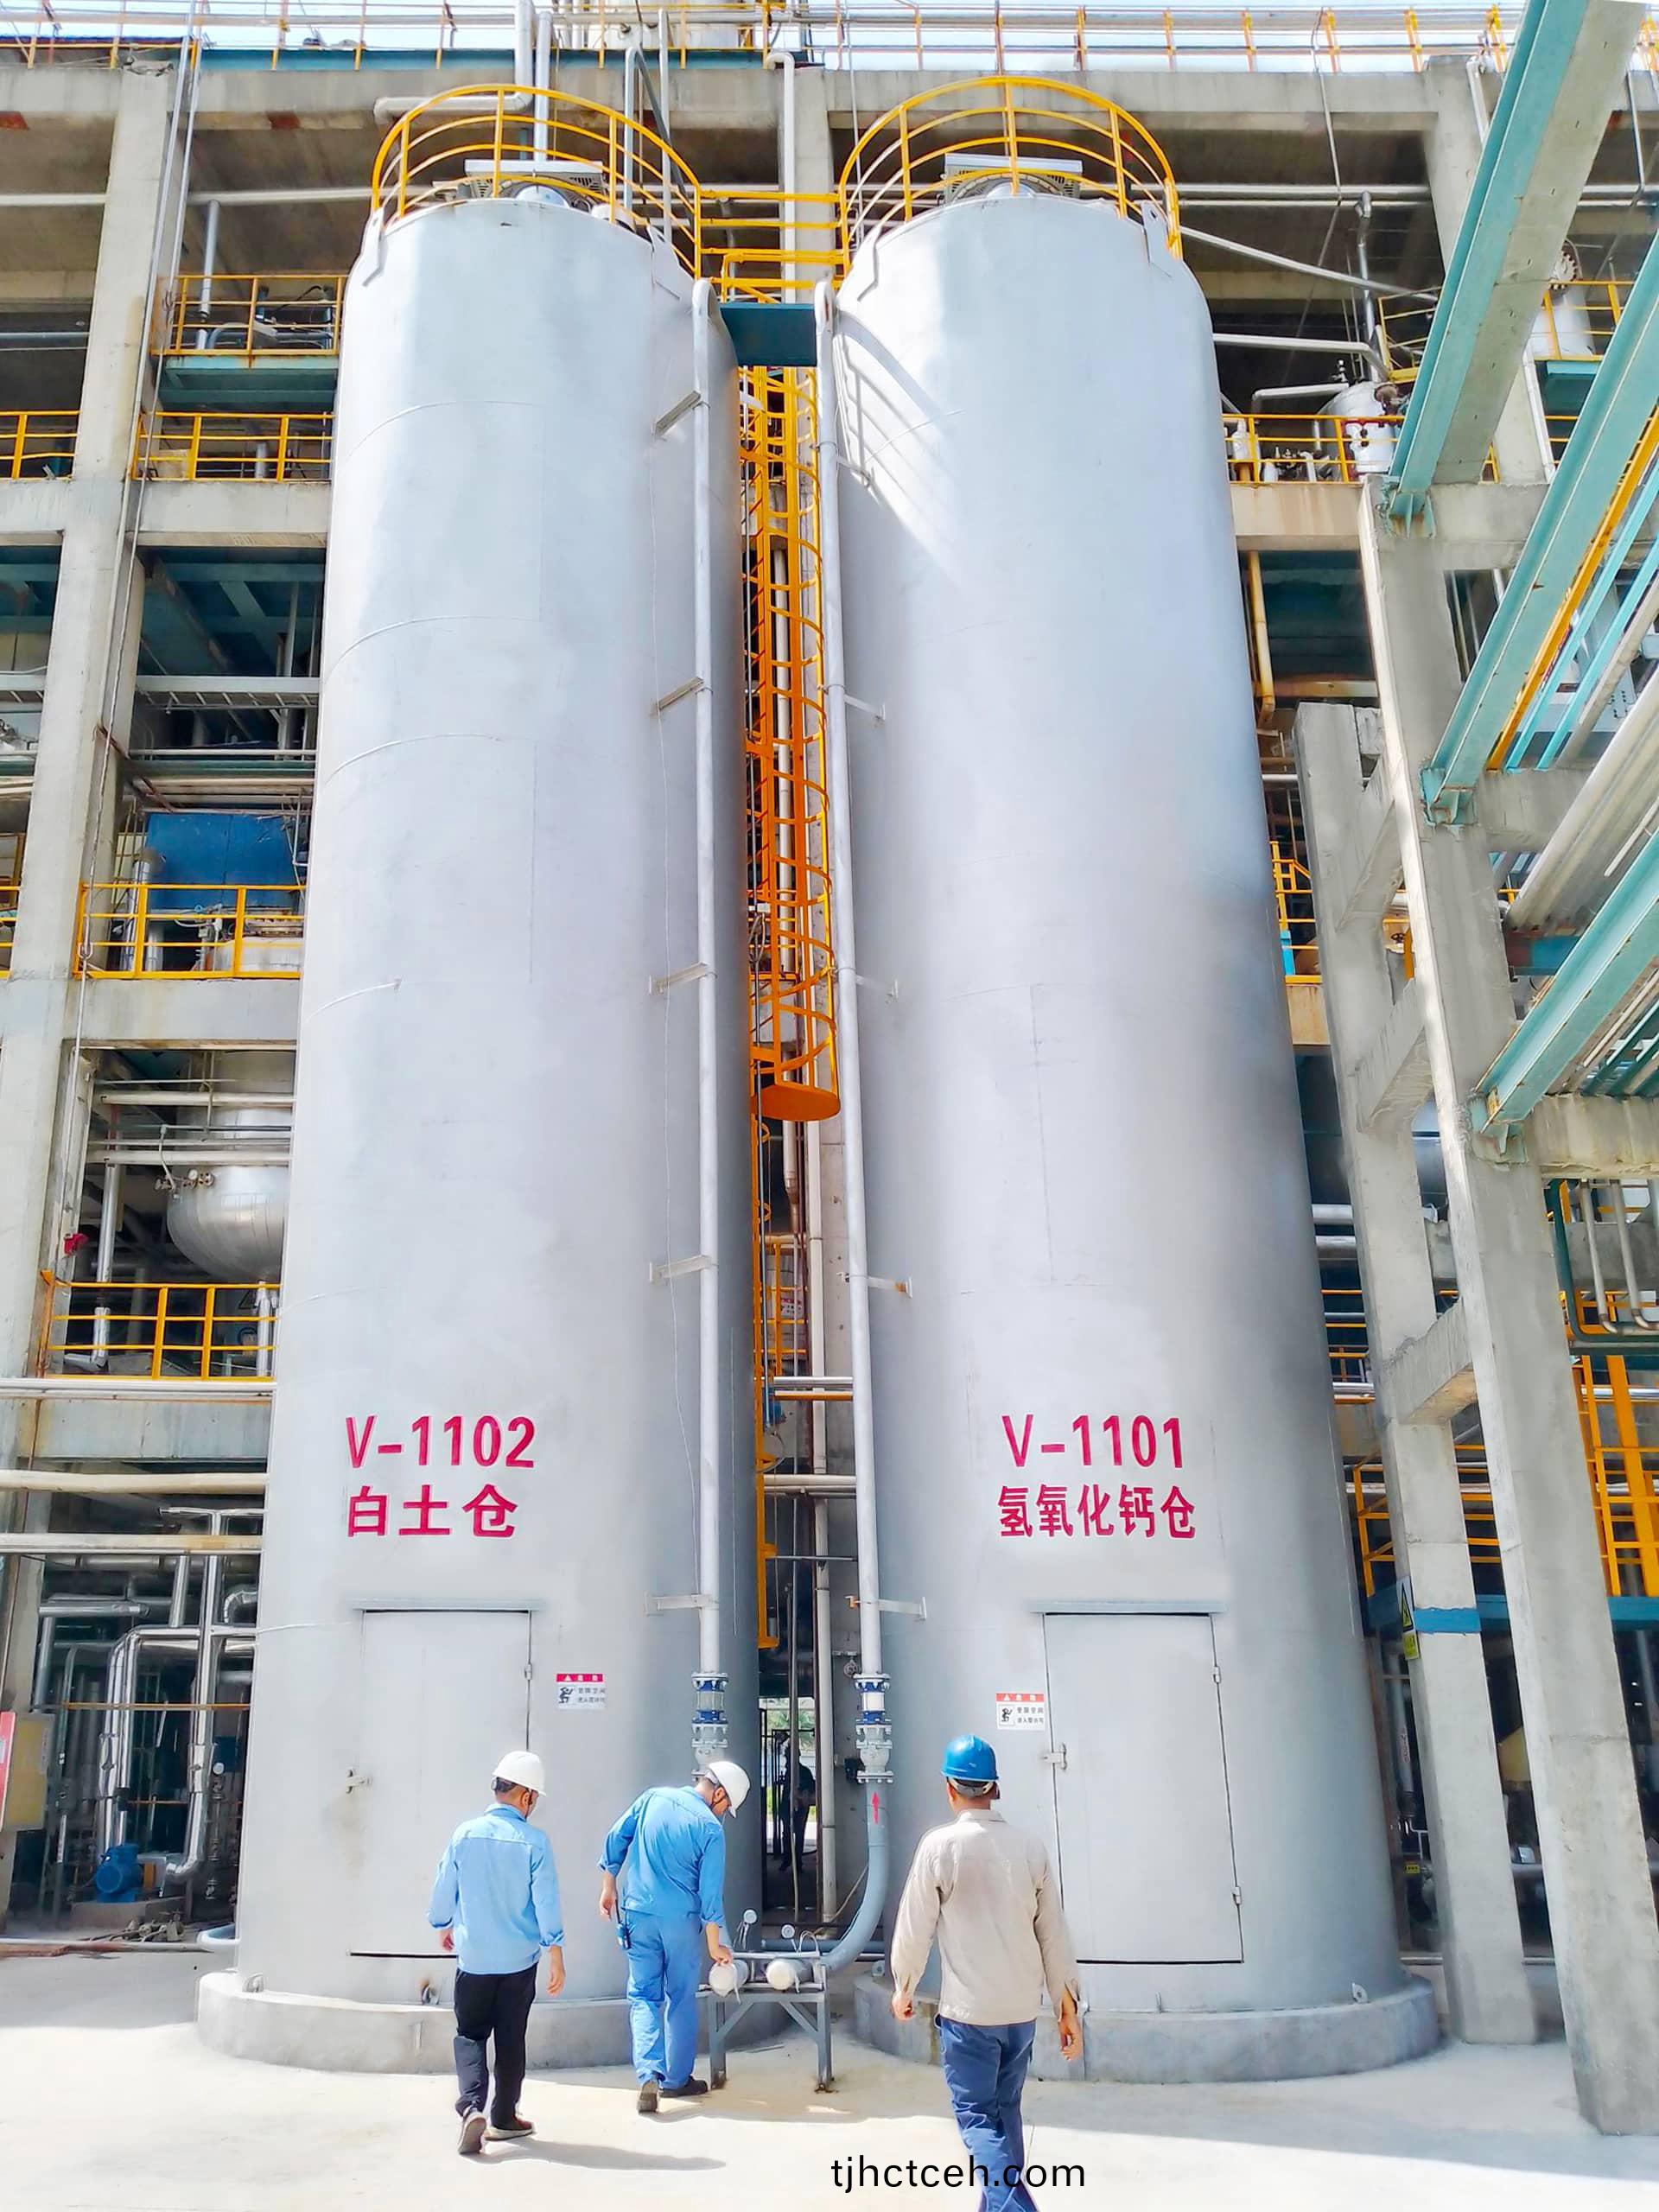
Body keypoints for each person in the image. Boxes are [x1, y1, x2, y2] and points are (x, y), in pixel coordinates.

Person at [889, 1735, 1083, 2212]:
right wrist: (1067, 2006)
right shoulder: (1030, 1848)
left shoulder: (940, 1848)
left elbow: (915, 1927)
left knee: (976, 2117)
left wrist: (903, 1986)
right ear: (994, 1788)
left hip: (970, 2015)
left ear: (949, 1788)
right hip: (1020, 2015)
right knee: (1004, 2112)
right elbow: (1053, 1933)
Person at [429, 1748, 565, 2159]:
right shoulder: (535, 1843)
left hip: (474, 1959)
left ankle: (472, 2108)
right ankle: (504, 2117)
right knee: (511, 2038)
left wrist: (443, 1924)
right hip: (519, 1962)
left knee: (470, 2035)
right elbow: (546, 1902)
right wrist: (556, 1951)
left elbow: (443, 1888)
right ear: (526, 1796)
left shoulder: (465, 1834)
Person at [598, 1759, 750, 2113]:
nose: (724, 1814)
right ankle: (676, 2080)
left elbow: (617, 1837)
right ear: (720, 1794)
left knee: (643, 1995)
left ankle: (648, 2073)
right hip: (680, 1921)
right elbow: (710, 1895)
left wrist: (608, 1884)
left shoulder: (652, 1798)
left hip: (638, 1913)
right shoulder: (710, 1830)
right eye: (727, 1806)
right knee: (680, 1996)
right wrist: (715, 1944)